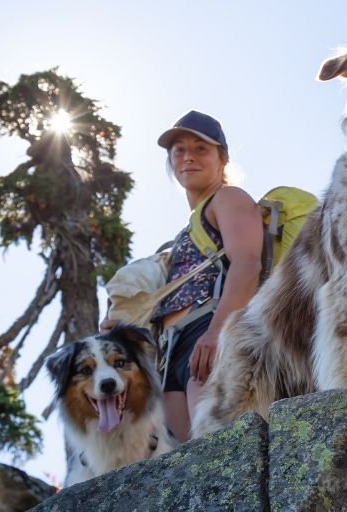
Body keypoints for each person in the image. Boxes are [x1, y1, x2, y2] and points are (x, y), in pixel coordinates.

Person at [151, 110, 262, 442]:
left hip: (209, 329)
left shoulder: (228, 198)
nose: (188, 157)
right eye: (179, 150)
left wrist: (217, 333)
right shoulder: (185, 231)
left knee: (217, 448)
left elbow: (247, 263)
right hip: (172, 351)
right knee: (189, 464)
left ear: (222, 159)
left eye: (201, 149)